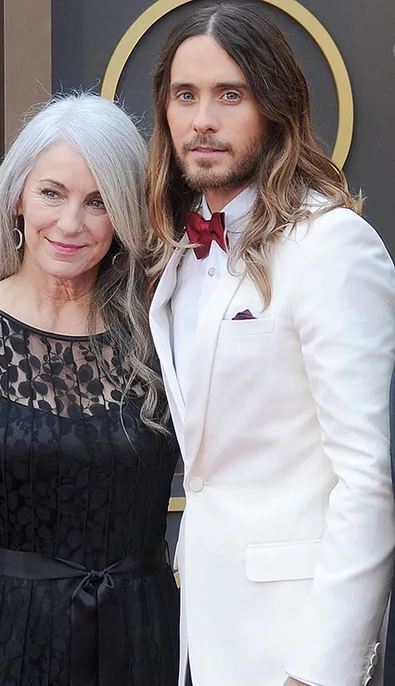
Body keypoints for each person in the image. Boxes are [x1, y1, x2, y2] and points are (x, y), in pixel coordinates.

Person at [145, 4, 395, 686]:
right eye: (185, 95)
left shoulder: (331, 245)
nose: (203, 120)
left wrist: (320, 672)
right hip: (200, 633)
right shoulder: (175, 254)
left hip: (294, 644)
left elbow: (365, 480)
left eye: (230, 95)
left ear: (275, 108)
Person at [0, 93, 180, 686]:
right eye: (53, 193)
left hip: (140, 644)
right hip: (0, 648)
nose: (71, 224)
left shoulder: (162, 336)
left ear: (126, 216)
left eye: (98, 202)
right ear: (17, 197)